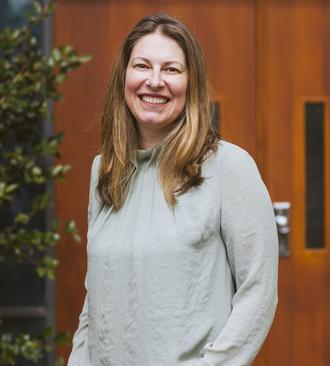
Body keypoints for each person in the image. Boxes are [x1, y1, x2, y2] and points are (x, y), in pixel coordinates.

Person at [67, 13, 278, 366]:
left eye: (171, 70)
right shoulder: (105, 170)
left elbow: (259, 292)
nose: (154, 81)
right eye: (142, 66)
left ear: (191, 83)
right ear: (124, 78)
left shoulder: (229, 168)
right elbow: (96, 297)